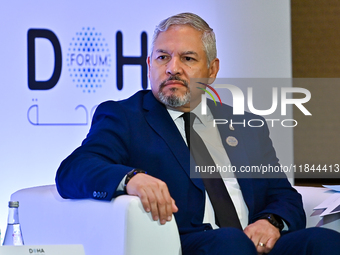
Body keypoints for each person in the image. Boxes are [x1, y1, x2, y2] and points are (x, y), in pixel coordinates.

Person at [56, 12, 340, 255]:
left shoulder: (245, 124)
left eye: (188, 59)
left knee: (322, 241)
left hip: (250, 243)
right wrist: (131, 178)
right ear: (148, 65)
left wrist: (270, 221)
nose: (172, 68)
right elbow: (73, 170)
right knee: (230, 243)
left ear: (212, 70)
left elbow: (284, 195)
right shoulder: (125, 117)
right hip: (188, 245)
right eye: (162, 57)